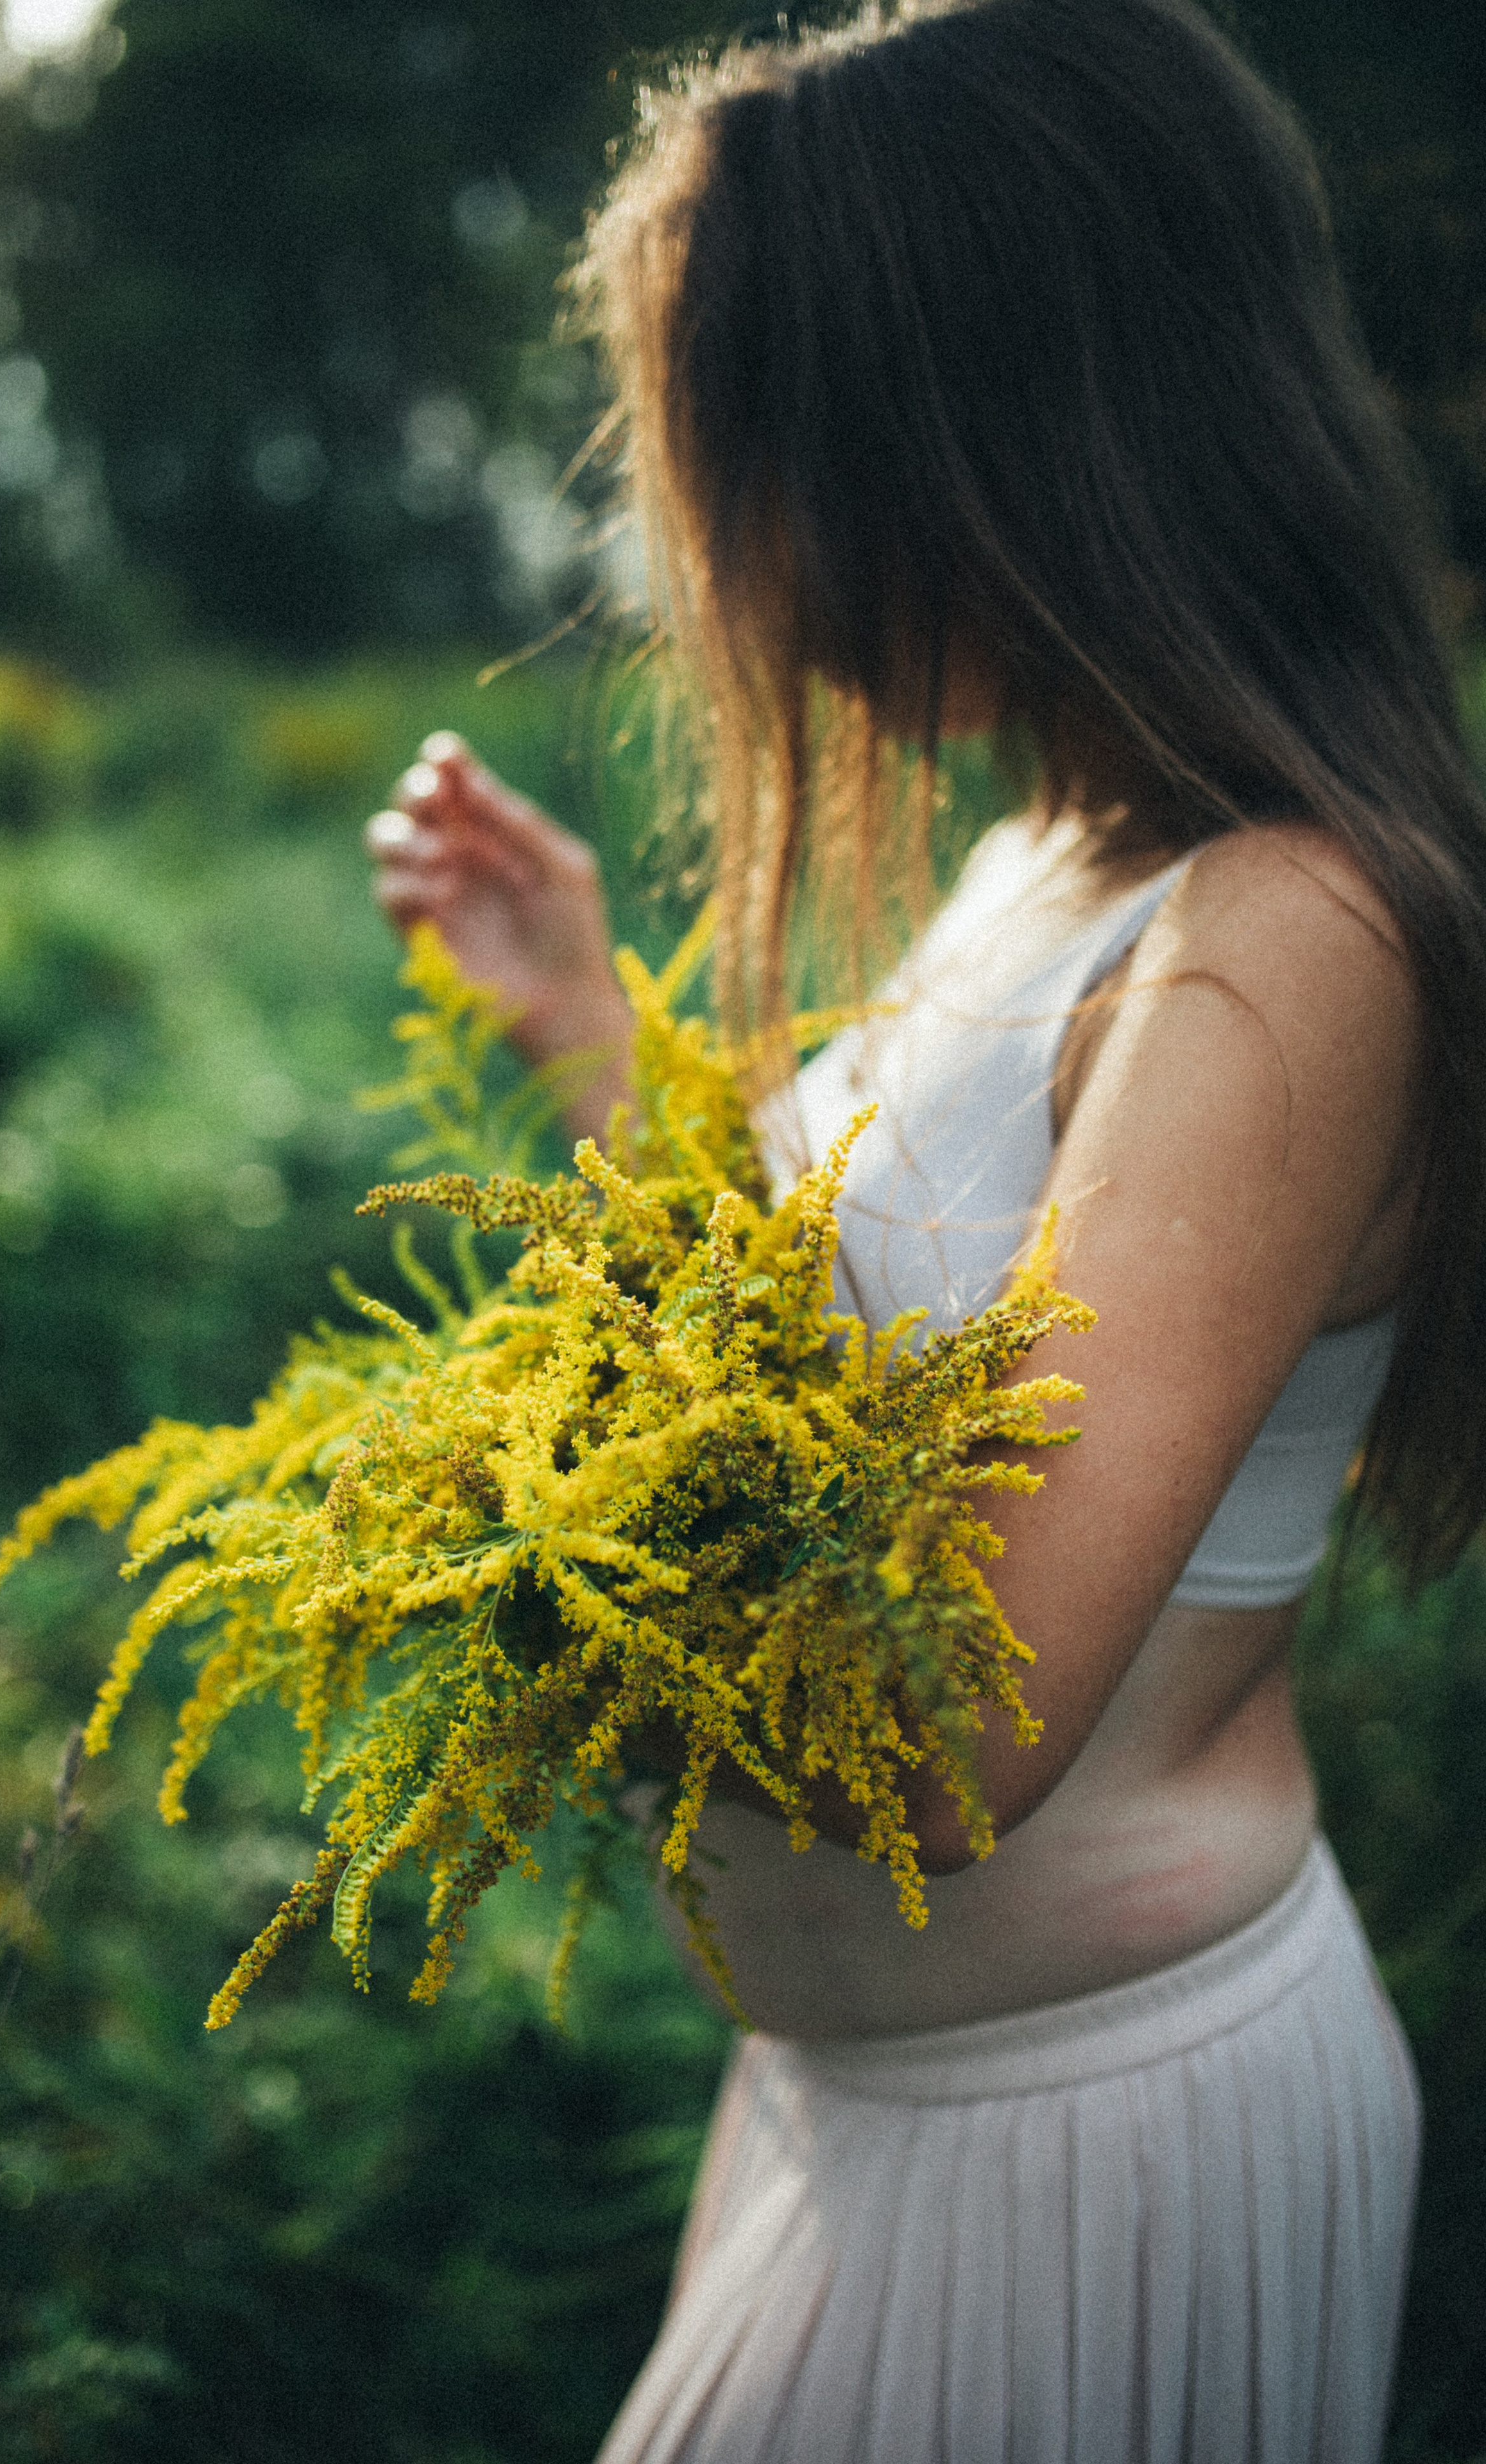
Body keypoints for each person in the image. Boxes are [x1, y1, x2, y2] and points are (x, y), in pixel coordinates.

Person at [365, 3, 1486, 2455]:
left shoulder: (1278, 939)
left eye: (787, 458)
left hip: (1082, 2149)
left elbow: (952, 1708)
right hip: (863, 2122)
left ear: (1031, 423)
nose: (740, 565)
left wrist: (519, 1586)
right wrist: (587, 1039)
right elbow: (804, 1378)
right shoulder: (1042, 867)